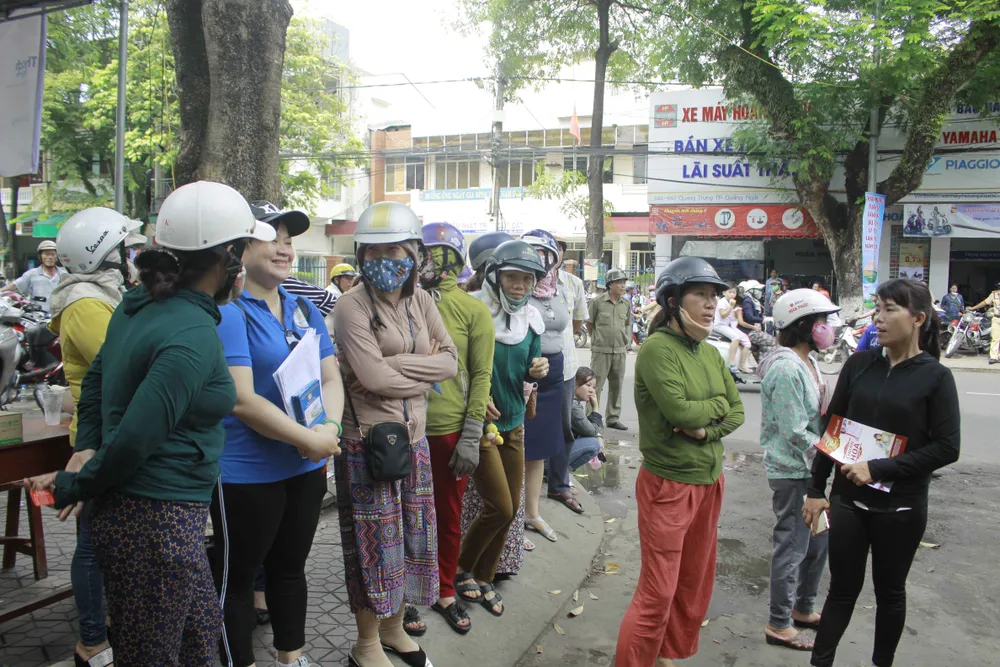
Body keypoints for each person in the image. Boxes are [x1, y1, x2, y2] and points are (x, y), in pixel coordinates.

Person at [25, 180, 276, 665]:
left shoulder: (139, 304)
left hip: (158, 522)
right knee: (150, 655)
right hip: (155, 524)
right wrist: (74, 481)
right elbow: (138, 437)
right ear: (227, 257)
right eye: (243, 250)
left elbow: (95, 382)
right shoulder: (192, 335)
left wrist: (88, 444)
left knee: (200, 643)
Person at [212, 203, 344, 667]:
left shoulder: (303, 306)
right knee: (240, 578)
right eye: (272, 237)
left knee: (290, 569)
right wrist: (308, 440)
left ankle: (292, 658)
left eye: (289, 239)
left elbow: (331, 379)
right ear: (238, 246)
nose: (284, 248)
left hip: (305, 464)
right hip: (247, 471)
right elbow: (241, 400)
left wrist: (329, 427)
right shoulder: (229, 311)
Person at [804, 279, 960, 667]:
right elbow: (832, 428)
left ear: (918, 318)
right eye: (878, 309)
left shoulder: (936, 378)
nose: (879, 318)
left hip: (901, 508)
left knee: (890, 592)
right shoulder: (860, 364)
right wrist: (815, 488)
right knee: (841, 589)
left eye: (890, 309)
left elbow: (946, 447)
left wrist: (878, 468)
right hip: (848, 501)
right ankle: (820, 662)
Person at [333, 201, 458, 667]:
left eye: (395, 249)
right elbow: (374, 379)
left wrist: (396, 367)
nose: (384, 259)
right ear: (361, 255)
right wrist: (421, 373)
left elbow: (450, 361)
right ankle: (365, 645)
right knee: (374, 546)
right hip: (368, 442)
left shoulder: (421, 301)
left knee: (410, 538)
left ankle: (393, 629)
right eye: (373, 251)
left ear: (414, 253)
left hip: (416, 439)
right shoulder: (351, 307)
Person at [616, 257, 744, 667]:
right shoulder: (657, 350)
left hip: (709, 481)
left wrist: (708, 430)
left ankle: (665, 656)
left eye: (714, 296)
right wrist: (710, 411)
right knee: (658, 593)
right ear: (673, 301)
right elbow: (681, 413)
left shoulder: (707, 351)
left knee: (692, 585)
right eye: (700, 295)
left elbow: (736, 410)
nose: (711, 305)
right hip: (669, 487)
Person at [46, 207, 144, 667]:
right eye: (123, 250)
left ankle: (109, 626)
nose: (130, 259)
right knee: (91, 545)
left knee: (110, 541)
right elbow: (126, 361)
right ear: (101, 255)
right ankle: (90, 641)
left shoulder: (106, 296)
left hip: (117, 432)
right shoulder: (85, 302)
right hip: (97, 439)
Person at [456, 239, 548, 616]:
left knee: (508, 511)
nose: (519, 286)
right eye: (512, 277)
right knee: (499, 506)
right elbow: (457, 365)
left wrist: (537, 369)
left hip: (514, 425)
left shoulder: (532, 318)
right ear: (494, 276)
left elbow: (530, 364)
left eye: (526, 279)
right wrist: (474, 400)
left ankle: (485, 576)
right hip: (481, 426)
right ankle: (460, 570)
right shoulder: (473, 310)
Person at [417, 222, 494, 635]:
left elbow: (481, 376)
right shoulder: (401, 301)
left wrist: (471, 434)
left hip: (448, 431)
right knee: (406, 518)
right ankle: (408, 595)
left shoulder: (472, 310)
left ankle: (445, 589)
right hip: (404, 429)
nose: (428, 262)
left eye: (434, 254)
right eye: (422, 252)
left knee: (447, 518)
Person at [758, 289, 840, 652]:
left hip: (813, 472)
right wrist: (832, 455)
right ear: (803, 325)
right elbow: (794, 431)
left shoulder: (807, 361)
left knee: (818, 543)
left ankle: (803, 607)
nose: (827, 329)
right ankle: (779, 622)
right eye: (821, 322)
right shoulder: (787, 367)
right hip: (794, 472)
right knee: (792, 546)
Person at [520, 229, 573, 541]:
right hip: (526, 371)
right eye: (535, 253)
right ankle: (512, 523)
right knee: (518, 447)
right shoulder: (517, 288)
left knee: (539, 450)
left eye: (547, 254)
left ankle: (532, 513)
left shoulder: (559, 288)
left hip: (555, 373)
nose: (542, 261)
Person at [547, 236, 589, 515]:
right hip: (529, 365)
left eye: (557, 250)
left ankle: (559, 483)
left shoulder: (573, 284)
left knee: (563, 426)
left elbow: (576, 324)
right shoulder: (524, 279)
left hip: (565, 366)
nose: (553, 255)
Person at [589, 268, 632, 431]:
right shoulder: (598, 302)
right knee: (595, 386)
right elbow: (590, 324)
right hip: (601, 351)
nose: (623, 286)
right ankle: (592, 417)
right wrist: (597, 341)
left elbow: (627, 324)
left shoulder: (626, 303)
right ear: (610, 284)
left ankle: (613, 418)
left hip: (620, 351)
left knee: (617, 385)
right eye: (619, 282)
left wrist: (626, 341)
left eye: (624, 283)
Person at [3, 239, 68, 313]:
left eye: (53, 254)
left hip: (60, 316)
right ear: (40, 256)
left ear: (57, 256)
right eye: (46, 254)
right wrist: (1, 292)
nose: (50, 257)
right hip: (38, 317)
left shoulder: (64, 274)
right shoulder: (31, 274)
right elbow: (14, 287)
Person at [568, 367, 604, 472]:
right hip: (549, 459)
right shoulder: (573, 405)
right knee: (594, 445)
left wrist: (598, 435)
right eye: (588, 385)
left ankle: (561, 474)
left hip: (550, 454)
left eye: (593, 387)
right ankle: (561, 474)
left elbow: (586, 427)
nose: (592, 390)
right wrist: (595, 408)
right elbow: (591, 431)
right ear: (575, 384)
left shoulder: (569, 399)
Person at [714, 282, 753, 373]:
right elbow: (723, 315)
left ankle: (742, 364)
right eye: (730, 292)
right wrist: (731, 307)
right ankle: (731, 363)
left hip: (726, 325)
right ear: (724, 293)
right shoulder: (722, 302)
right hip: (719, 325)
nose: (732, 294)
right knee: (736, 338)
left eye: (734, 293)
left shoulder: (730, 302)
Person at [968, 281, 999, 364]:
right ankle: (994, 357)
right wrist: (973, 308)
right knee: (995, 338)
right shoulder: (994, 294)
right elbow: (985, 303)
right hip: (996, 318)